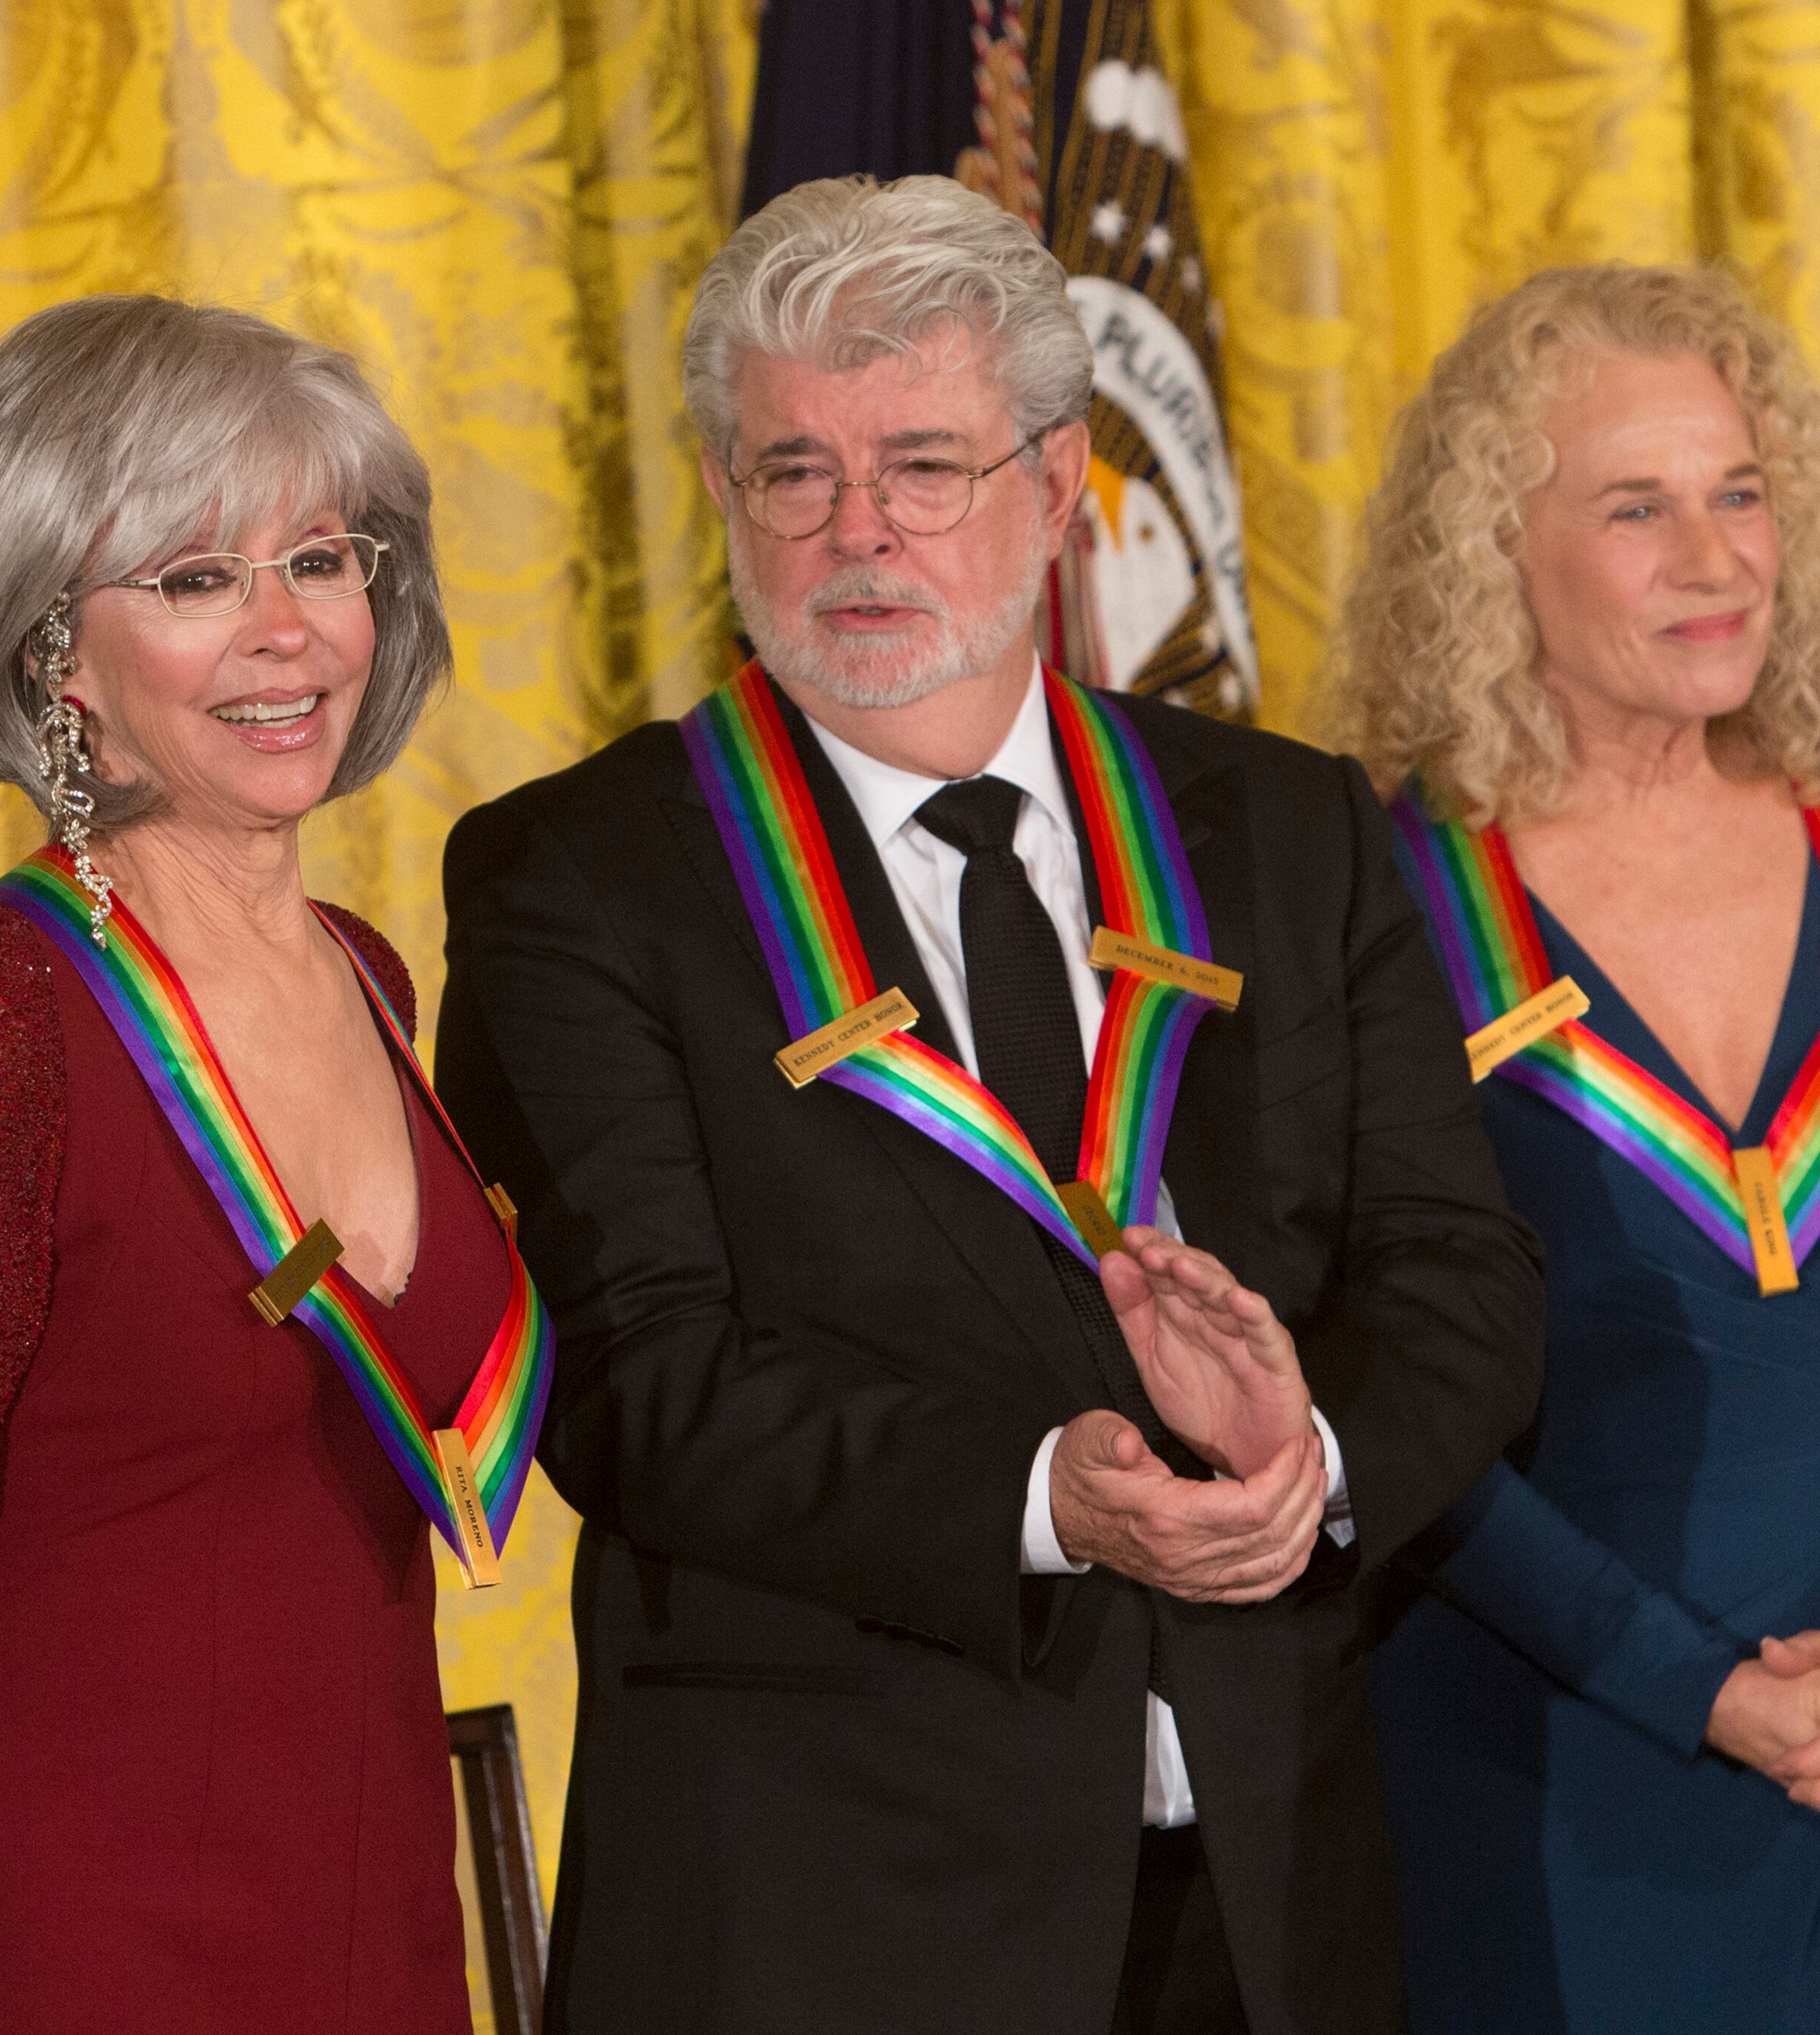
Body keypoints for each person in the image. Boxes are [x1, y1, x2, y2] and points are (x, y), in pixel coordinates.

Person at [432, 174, 1547, 2035]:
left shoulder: (1283, 828)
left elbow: (1460, 1269)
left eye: (924, 465)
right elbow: (635, 1379)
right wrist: (1049, 1496)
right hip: (828, 1914)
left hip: (1277, 1907)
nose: (858, 531)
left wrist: (1307, 1464)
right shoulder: (580, 876)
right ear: (722, 496)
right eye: (795, 471)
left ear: (1054, 488)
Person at [1344, 263, 1820, 2032]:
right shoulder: (1380, 895)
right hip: (1553, 1779)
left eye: (1741, 491)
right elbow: (1373, 1399)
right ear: (1495, 554)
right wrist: (1704, 1691)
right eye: (1638, 505)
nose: (1717, 554)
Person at [0, 296, 549, 2035]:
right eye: (197, 578)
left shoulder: (373, 973)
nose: (290, 632)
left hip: (384, 1939)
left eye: (322, 557)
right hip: (96, 1960)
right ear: (55, 649)